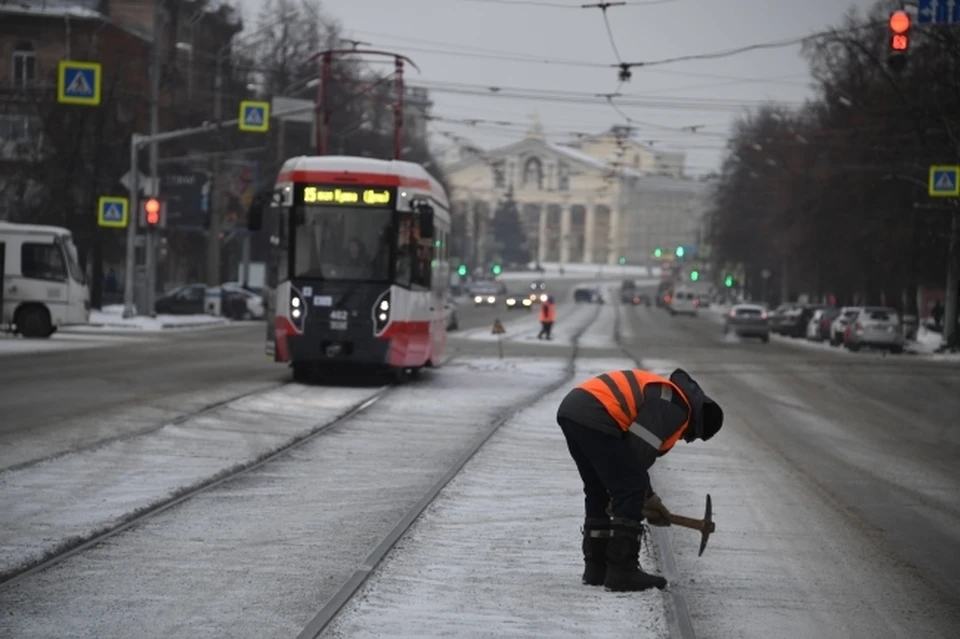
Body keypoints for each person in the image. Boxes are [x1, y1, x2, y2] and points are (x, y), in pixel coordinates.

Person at [556, 367, 724, 592]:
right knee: (628, 488)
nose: (685, 438)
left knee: (597, 489)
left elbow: (628, 456)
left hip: (574, 409)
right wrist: (640, 497)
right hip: (596, 413)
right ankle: (622, 571)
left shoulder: (669, 396)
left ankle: (597, 568)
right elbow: (636, 454)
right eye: (691, 435)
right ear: (697, 422)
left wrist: (649, 498)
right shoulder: (674, 407)